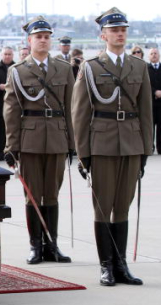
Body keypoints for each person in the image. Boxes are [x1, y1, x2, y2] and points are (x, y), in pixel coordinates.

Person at [72, 7, 152, 286]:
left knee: (123, 206)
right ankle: (106, 265)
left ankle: (121, 265)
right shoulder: (91, 67)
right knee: (103, 207)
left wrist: (145, 150)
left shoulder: (139, 67)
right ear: (103, 35)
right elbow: (80, 113)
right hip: (102, 143)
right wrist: (83, 155)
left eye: (123, 30)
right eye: (115, 30)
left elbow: (145, 112)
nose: (120, 34)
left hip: (131, 143)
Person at [4, 16, 74, 265]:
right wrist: (11, 146)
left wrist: (73, 142)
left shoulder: (64, 69)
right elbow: (11, 110)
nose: (43, 40)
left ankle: (52, 245)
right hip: (30, 138)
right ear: (30, 40)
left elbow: (70, 107)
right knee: (33, 195)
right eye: (38, 37)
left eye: (46, 37)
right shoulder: (18, 71)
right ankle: (36, 246)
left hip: (56, 136)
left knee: (52, 194)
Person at [0, 46, 15, 161]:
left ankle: (12, 152)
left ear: (12, 55)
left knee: (12, 130)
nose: (7, 56)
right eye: (5, 54)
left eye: (9, 54)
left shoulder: (17, 68)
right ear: (1, 55)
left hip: (14, 104)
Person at [148, 48, 161, 154]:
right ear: (148, 56)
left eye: (155, 53)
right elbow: (145, 85)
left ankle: (160, 148)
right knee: (149, 127)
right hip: (150, 103)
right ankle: (150, 147)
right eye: (151, 54)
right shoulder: (146, 69)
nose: (154, 55)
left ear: (159, 55)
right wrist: (155, 92)